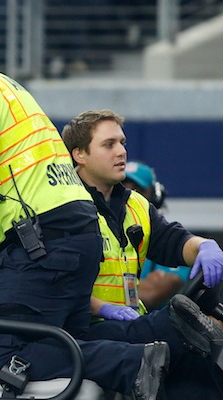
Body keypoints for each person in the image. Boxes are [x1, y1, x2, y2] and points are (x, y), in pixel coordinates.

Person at [0, 24, 181, 398]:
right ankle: (169, 334)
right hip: (71, 233)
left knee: (9, 356)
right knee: (72, 339)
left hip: (36, 244)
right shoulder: (1, 84)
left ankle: (133, 361)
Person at [61, 109, 223, 399]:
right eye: (109, 145)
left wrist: (203, 246)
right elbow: (50, 286)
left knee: (198, 367)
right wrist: (102, 307)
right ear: (79, 155)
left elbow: (175, 240)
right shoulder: (61, 207)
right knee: (179, 330)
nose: (121, 151)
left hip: (131, 324)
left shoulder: (136, 205)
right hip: (87, 330)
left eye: (122, 142)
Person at [123, 160, 188, 310]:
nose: (129, 197)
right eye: (121, 189)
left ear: (156, 197)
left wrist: (106, 294)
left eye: (137, 191)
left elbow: (153, 293)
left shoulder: (167, 237)